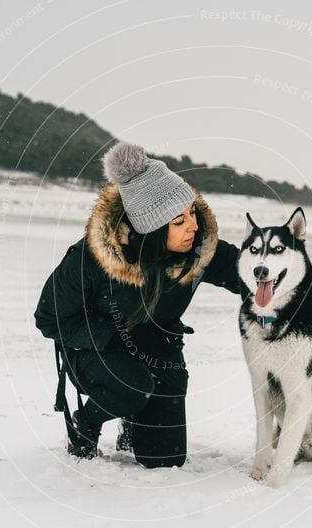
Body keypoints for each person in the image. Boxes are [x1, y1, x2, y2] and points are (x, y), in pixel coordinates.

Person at [34, 142, 242, 468]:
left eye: (191, 213)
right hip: (96, 351)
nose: (193, 225)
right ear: (152, 230)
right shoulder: (93, 256)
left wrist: (306, 291)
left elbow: (250, 272)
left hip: (159, 349)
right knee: (132, 385)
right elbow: (49, 317)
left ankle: (133, 419)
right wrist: (111, 337)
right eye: (178, 221)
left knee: (166, 459)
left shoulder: (199, 248)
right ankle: (86, 421)